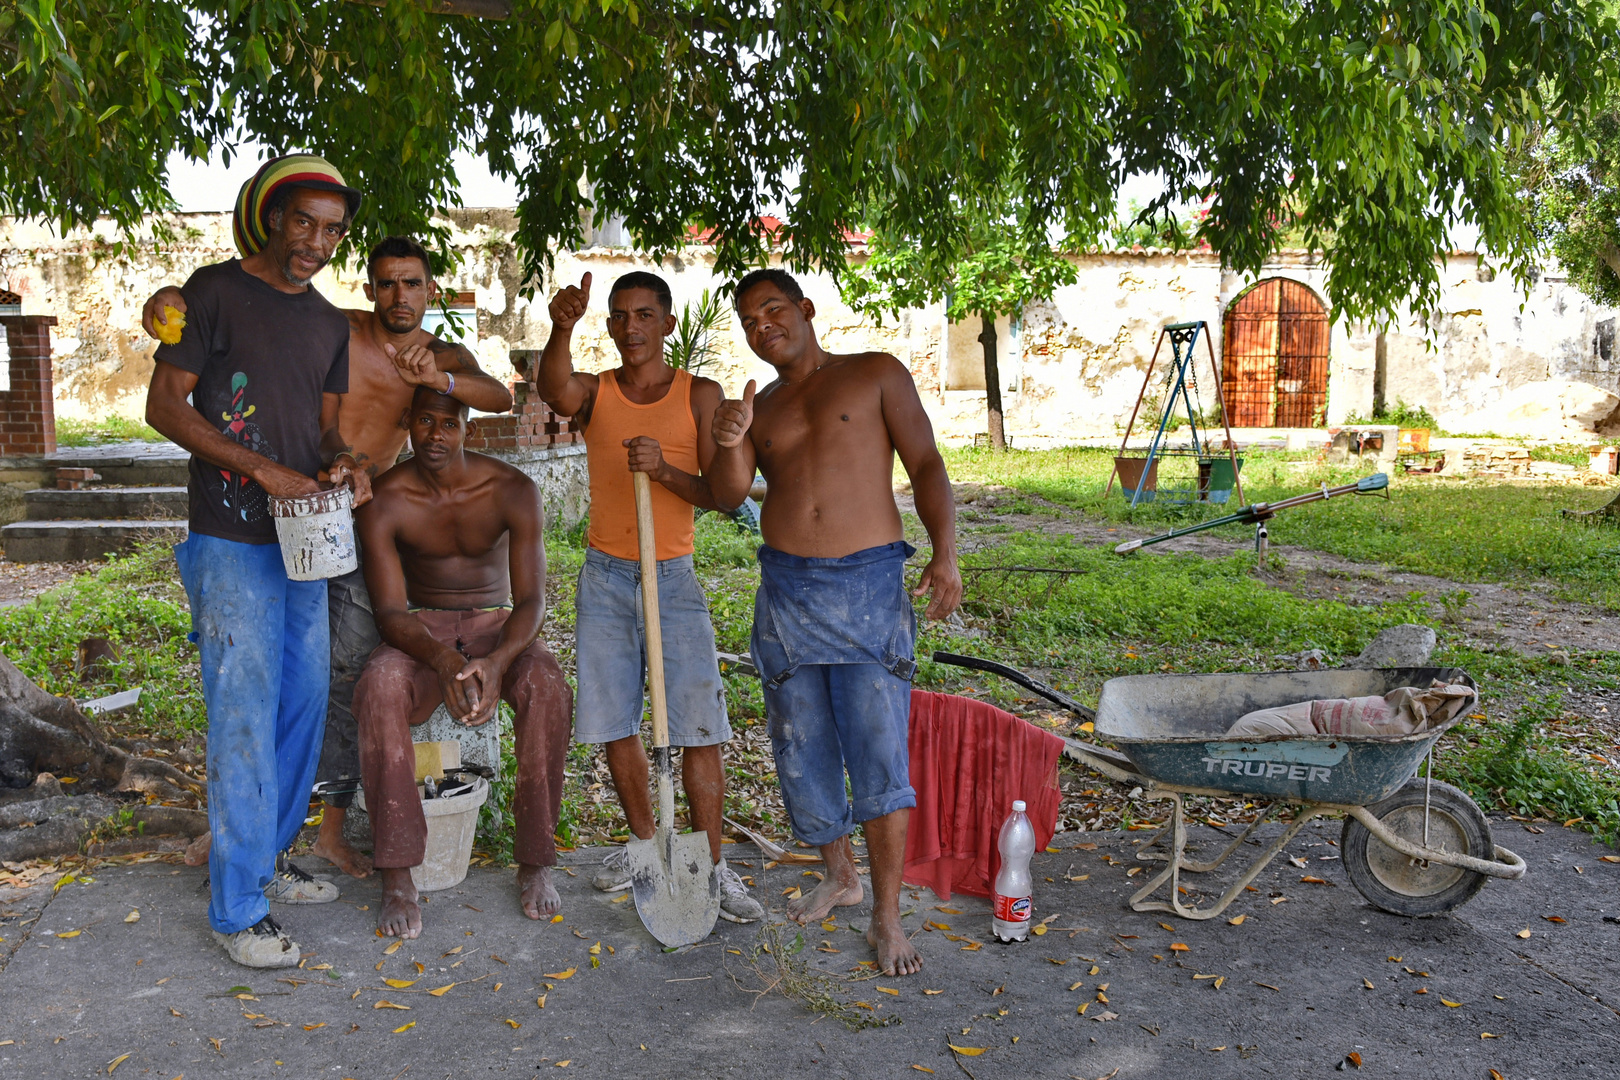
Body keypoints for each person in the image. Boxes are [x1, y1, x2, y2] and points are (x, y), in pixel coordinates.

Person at [142, 236, 513, 880]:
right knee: (257, 677)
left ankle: (329, 832)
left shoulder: (441, 353)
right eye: (387, 283)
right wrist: (168, 303)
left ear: (431, 290)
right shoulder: (334, 327)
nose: (400, 296)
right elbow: (246, 327)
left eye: (413, 284)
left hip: (361, 521)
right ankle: (241, 824)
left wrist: (440, 379)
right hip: (286, 505)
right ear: (369, 289)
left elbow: (499, 397)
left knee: (343, 672)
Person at [143, 154, 370, 969]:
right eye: (303, 222)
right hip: (231, 538)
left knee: (302, 703)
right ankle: (237, 909)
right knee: (241, 715)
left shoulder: (328, 323)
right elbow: (163, 405)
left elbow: (326, 429)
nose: (316, 241)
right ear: (273, 217)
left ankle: (266, 857)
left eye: (333, 229)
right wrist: (261, 469)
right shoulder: (210, 293)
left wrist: (345, 461)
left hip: (305, 541)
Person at [707, 268, 962, 976]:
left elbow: (928, 462)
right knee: (800, 748)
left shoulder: (874, 373)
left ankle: (886, 915)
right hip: (786, 591)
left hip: (868, 586)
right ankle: (840, 874)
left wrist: (945, 554)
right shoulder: (761, 408)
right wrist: (731, 437)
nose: (764, 326)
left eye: (774, 310)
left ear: (806, 308)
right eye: (750, 320)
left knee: (878, 752)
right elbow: (728, 494)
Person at [536, 270, 763, 923]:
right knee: (614, 721)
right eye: (619, 317)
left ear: (666, 323)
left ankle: (712, 868)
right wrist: (561, 326)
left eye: (643, 315)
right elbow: (556, 389)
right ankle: (643, 847)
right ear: (609, 327)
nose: (631, 327)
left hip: (672, 575)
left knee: (698, 726)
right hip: (606, 573)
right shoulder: (597, 392)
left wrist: (666, 467)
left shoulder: (701, 395)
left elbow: (722, 498)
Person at [352, 386, 572, 938]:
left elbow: (532, 603)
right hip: (421, 632)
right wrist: (442, 659)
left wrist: (498, 661)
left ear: (467, 426)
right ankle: (398, 872)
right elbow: (388, 611)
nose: (435, 435)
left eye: (448, 424)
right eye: (424, 422)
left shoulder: (512, 489)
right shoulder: (386, 497)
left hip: (498, 626)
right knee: (379, 685)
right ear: (408, 424)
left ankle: (536, 859)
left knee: (546, 684)